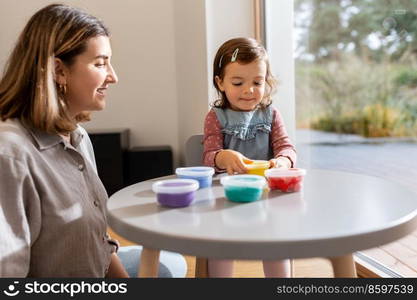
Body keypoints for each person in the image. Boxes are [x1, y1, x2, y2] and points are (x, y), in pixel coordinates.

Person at [0, 4, 186, 278]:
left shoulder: (78, 136)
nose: (113, 76)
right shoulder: (10, 155)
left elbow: (99, 241)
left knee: (172, 265)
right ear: (59, 71)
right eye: (100, 63)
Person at [203, 37, 297, 277]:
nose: (249, 90)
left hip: (266, 196)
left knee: (275, 243)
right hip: (226, 197)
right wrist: (223, 157)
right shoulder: (215, 117)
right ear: (220, 83)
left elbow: (287, 148)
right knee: (220, 246)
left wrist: (282, 161)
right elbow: (208, 157)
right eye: (238, 82)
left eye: (257, 81)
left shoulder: (271, 114)